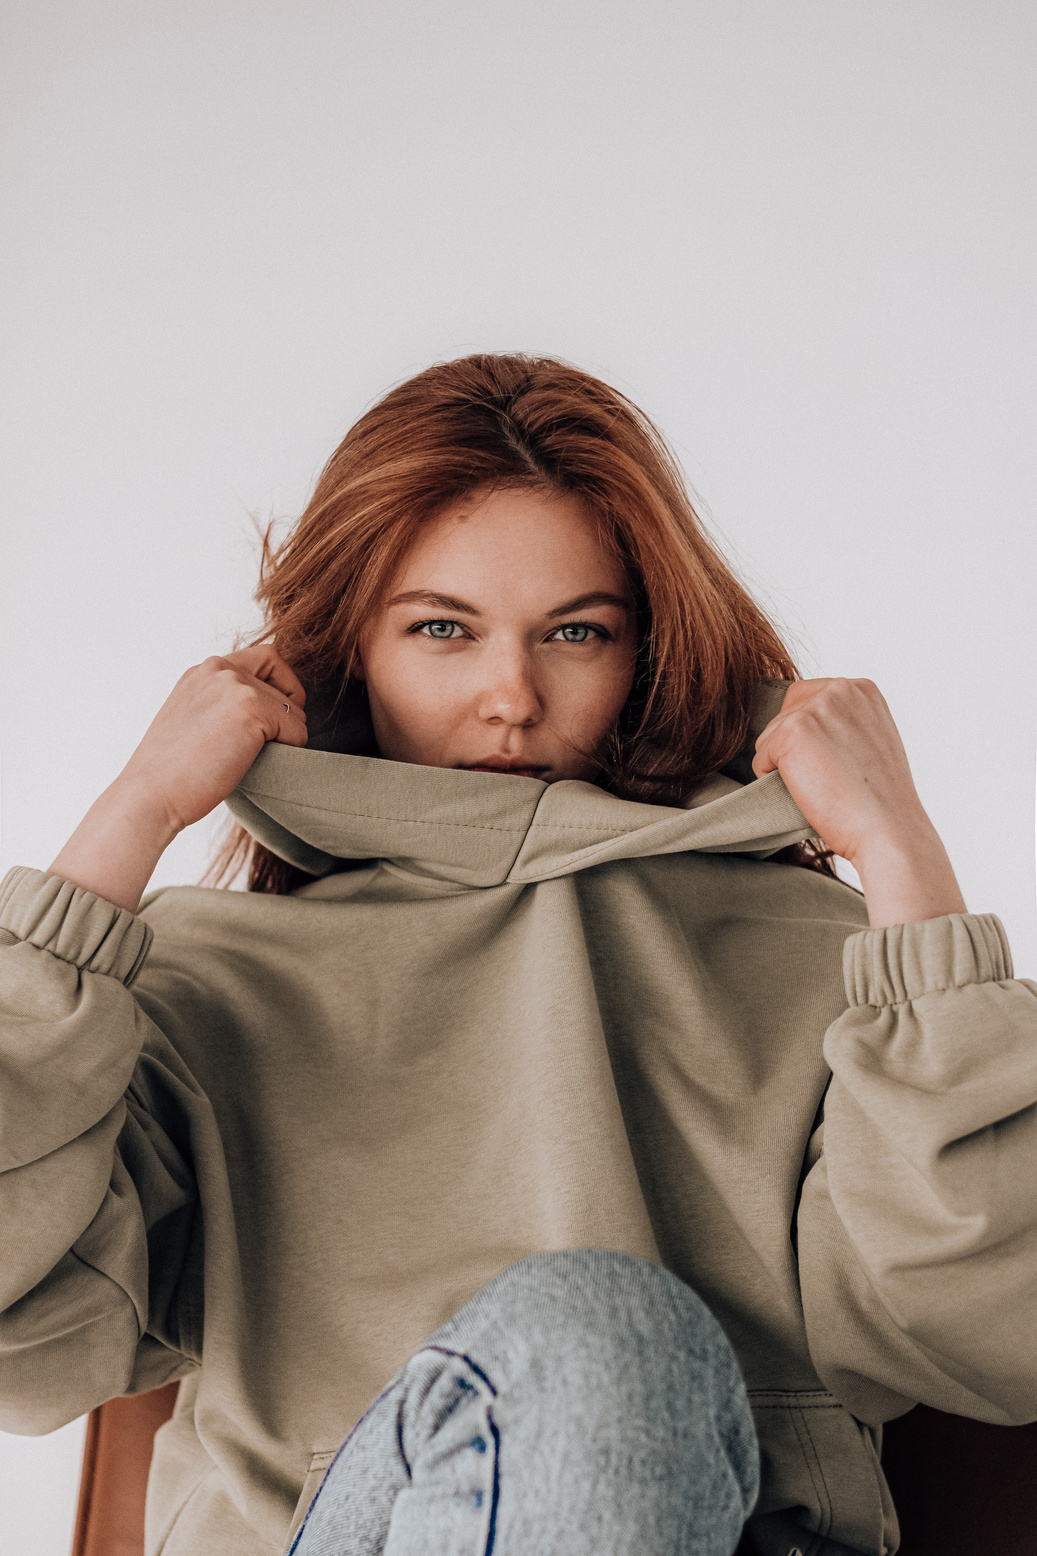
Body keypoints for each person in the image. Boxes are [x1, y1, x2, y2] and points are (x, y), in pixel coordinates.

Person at [1, 353, 1034, 1556]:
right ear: (350, 651)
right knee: (594, 1333)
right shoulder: (217, 981)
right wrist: (127, 820)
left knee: (605, 1340)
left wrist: (899, 857)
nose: (509, 694)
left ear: (644, 651)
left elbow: (994, 1330)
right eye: (442, 627)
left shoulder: (816, 962)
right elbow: (20, 1341)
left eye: (575, 631)